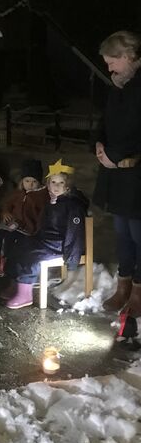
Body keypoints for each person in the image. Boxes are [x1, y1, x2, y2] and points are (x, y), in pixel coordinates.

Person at [93, 31, 141, 326]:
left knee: (138, 235)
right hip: (116, 174)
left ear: (128, 56)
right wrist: (99, 145)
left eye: (112, 61)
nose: (109, 67)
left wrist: (117, 155)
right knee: (122, 233)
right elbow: (105, 121)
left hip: (136, 176)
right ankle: (123, 285)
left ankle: (138, 291)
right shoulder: (118, 87)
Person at [3, 160, 88, 309]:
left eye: (61, 182)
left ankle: (25, 294)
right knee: (19, 247)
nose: (56, 186)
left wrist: (72, 260)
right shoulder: (51, 202)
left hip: (58, 245)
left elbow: (74, 234)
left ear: (67, 185)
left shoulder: (73, 206)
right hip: (46, 240)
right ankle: (16, 284)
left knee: (32, 255)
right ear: (48, 184)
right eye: (53, 182)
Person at [0, 159, 47, 278]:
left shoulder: (40, 196)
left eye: (34, 181)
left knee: (10, 238)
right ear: (22, 181)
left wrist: (35, 229)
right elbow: (7, 203)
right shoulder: (18, 193)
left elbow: (42, 215)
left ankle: (5, 263)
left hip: (27, 228)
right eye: (27, 181)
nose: (30, 184)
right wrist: (6, 212)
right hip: (13, 223)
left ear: (39, 182)